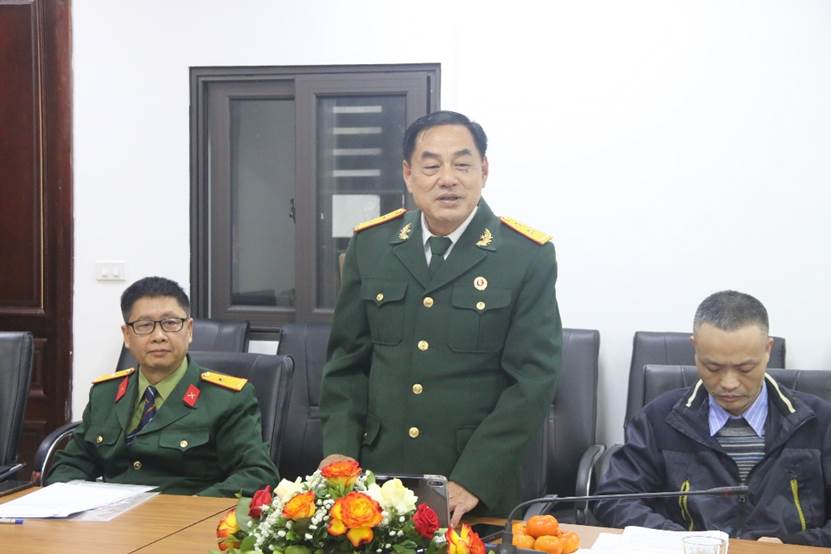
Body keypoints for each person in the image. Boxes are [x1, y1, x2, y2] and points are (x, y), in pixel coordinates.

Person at [318, 111, 562, 526]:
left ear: (484, 171)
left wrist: (474, 478)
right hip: (375, 482)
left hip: (471, 489)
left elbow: (533, 381)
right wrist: (340, 455)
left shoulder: (525, 255)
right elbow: (346, 365)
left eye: (462, 164)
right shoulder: (371, 246)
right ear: (408, 174)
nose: (447, 179)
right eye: (431, 167)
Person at [594, 290, 831, 546]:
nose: (729, 383)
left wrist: (793, 545)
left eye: (745, 368)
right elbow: (615, 497)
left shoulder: (818, 422)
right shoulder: (659, 418)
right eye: (713, 368)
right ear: (695, 348)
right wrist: (680, 540)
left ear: (767, 350)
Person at [45, 276, 279, 497]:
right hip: (111, 520)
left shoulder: (226, 398)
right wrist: (69, 501)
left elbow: (257, 474)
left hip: (183, 519)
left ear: (189, 330)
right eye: (144, 325)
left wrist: (191, 510)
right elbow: (71, 463)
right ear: (127, 335)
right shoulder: (106, 393)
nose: (159, 336)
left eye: (170, 323)